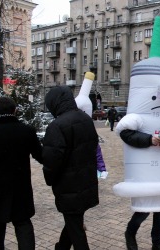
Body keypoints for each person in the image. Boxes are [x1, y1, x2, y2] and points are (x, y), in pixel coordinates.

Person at [42, 86, 99, 250]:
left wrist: (50, 179)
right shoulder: (85, 119)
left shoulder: (57, 125)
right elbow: (93, 147)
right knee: (74, 220)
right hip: (85, 180)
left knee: (76, 227)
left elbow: (53, 160)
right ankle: (62, 247)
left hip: (68, 185)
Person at [0, 97, 43, 250]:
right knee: (23, 224)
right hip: (21, 187)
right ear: (15, 110)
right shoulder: (27, 131)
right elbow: (41, 156)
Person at [119, 129, 160, 250]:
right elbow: (125, 134)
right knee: (144, 209)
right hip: (143, 167)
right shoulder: (137, 115)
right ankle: (130, 233)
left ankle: (157, 242)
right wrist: (149, 139)